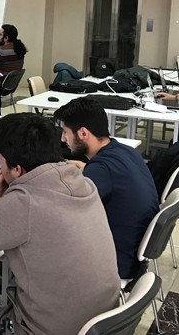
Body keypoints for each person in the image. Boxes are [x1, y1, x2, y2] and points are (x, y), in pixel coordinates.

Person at [0, 113, 120, 335]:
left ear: (17, 169)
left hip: (43, 330)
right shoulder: (84, 182)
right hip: (103, 321)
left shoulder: (22, 203)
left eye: (0, 159)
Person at [53, 97, 159, 279]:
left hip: (116, 262)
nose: (63, 139)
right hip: (134, 251)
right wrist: (88, 168)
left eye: (65, 132)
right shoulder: (125, 150)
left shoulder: (101, 170)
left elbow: (64, 213)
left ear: (83, 133)